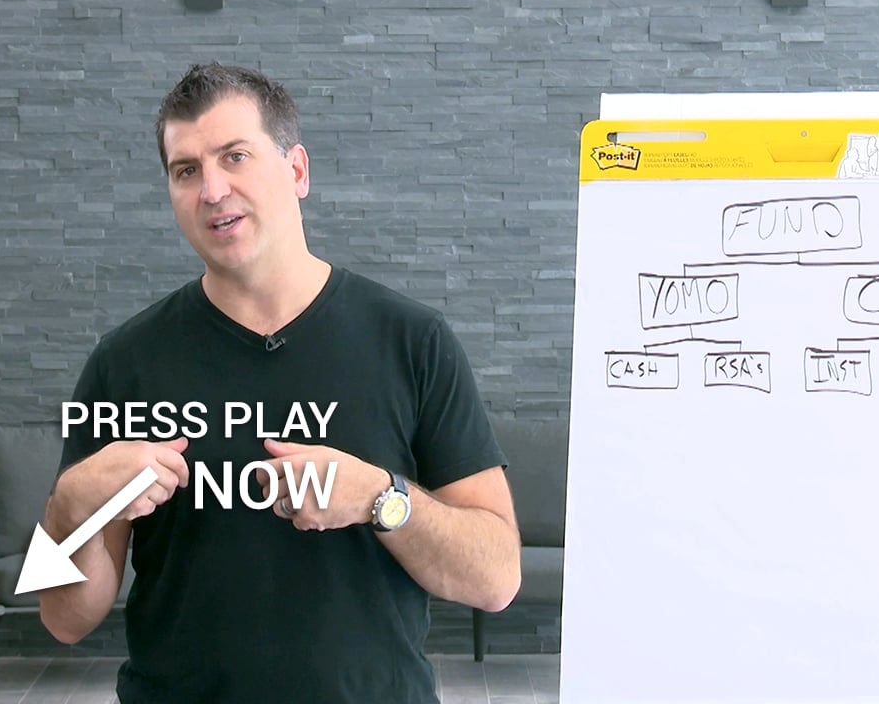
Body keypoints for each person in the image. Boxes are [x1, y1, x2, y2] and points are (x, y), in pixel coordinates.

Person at [37, 62, 522, 703]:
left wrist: (379, 498)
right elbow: (64, 619)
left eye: (234, 157)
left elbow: (496, 576)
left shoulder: (412, 341)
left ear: (297, 171)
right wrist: (68, 507)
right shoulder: (123, 362)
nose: (212, 190)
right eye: (186, 170)